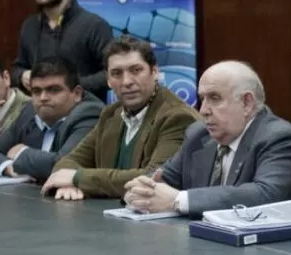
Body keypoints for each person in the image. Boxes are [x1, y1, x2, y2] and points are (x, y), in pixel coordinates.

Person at [122, 60, 291, 217]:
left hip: (288, 251)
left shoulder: (278, 138)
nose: (203, 110)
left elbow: (265, 195)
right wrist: (140, 192)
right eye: (202, 99)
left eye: (215, 98)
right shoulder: (198, 135)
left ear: (247, 103)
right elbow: (162, 177)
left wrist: (179, 200)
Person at [41, 35, 199, 200]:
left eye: (136, 70)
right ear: (108, 80)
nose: (127, 81)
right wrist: (68, 184)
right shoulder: (110, 114)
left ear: (155, 72)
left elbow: (153, 179)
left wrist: (77, 178)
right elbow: (67, 162)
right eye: (116, 73)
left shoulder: (177, 117)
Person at [0, 57, 103, 181]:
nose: (43, 97)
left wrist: (22, 154)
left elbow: (65, 164)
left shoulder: (89, 113)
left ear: (77, 94)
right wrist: (7, 166)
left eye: (53, 90)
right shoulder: (29, 111)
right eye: (36, 91)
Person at [11, 0, 114, 101]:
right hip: (41, 114)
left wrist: (70, 86)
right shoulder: (30, 26)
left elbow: (111, 73)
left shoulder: (94, 25)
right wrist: (22, 76)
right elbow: (16, 68)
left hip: (84, 113)